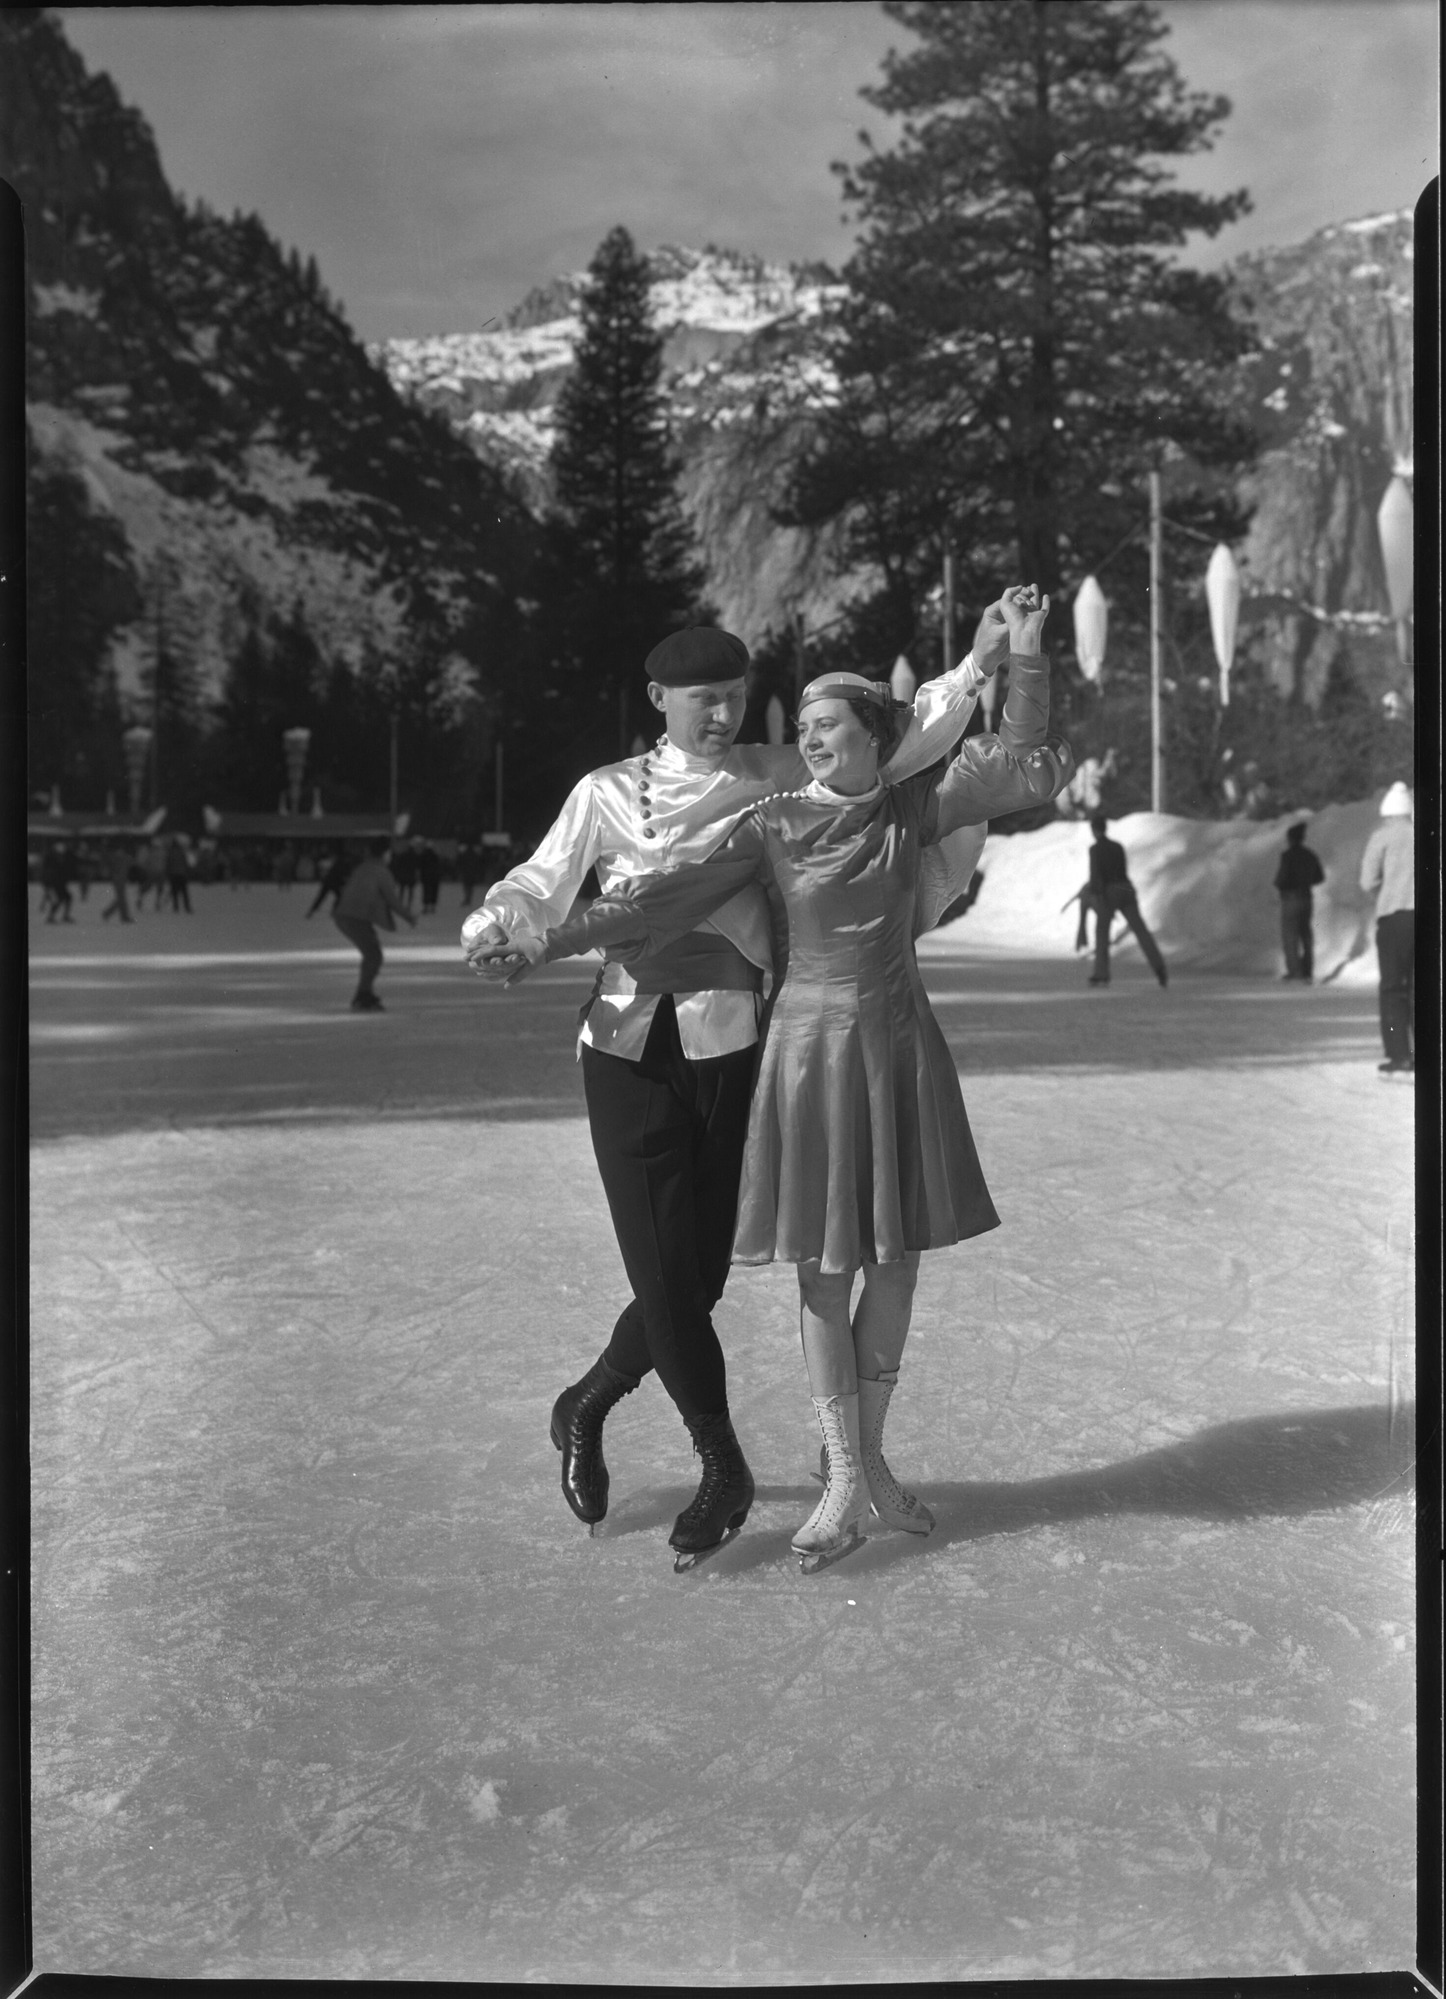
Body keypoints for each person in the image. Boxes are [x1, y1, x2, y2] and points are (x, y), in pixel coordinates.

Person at [476, 590, 1070, 1572]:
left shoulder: (812, 789)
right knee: (737, 1270)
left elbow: (962, 750)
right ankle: (739, 1464)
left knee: (749, 1270)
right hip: (689, 1044)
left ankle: (623, 1409)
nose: (732, 716)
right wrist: (533, 936)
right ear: (659, 699)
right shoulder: (681, 803)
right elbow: (633, 895)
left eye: (739, 696)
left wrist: (1001, 659)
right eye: (705, 698)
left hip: (790, 1043)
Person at [1358, 782, 1414, 1076]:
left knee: (1393, 989)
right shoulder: (1426, 833)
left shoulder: (1382, 837)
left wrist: (1384, 892)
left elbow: (1367, 881)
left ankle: (1399, 1055)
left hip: (1394, 918)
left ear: (1387, 813)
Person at [1083, 815, 1167, 987]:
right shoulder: (1117, 846)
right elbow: (1122, 869)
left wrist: (1096, 895)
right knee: (1141, 930)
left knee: (1102, 932)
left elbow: (1096, 875)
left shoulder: (1095, 849)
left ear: (1094, 830)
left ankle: (1101, 973)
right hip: (1126, 888)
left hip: (1109, 891)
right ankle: (1159, 968)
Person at [332, 835, 415, 1010]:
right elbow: (392, 899)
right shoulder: (380, 871)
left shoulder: (364, 867)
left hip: (347, 915)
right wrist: (408, 916)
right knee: (373, 955)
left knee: (372, 954)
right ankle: (362, 995)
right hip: (355, 917)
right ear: (385, 853)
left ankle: (364, 992)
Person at [1273, 821, 1324, 981]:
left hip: (1290, 898)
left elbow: (1281, 878)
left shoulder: (1287, 856)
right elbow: (1320, 877)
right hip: (1306, 898)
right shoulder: (1310, 855)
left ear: (1290, 838)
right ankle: (1307, 969)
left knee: (1290, 936)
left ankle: (1295, 971)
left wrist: (1280, 885)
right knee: (1305, 934)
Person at [100, 843, 134, 924]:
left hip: (120, 879)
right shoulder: (121, 858)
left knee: (121, 899)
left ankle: (109, 913)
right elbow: (116, 868)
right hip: (119, 880)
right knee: (121, 899)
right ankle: (122, 916)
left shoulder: (121, 857)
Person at [165, 837, 193, 914]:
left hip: (174, 875)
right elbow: (185, 863)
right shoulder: (181, 852)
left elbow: (168, 864)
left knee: (175, 892)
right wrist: (187, 872)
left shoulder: (170, 853)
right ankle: (187, 906)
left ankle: (176, 906)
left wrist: (168, 874)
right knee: (184, 892)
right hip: (182, 874)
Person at [418, 841, 442, 916]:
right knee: (433, 892)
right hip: (434, 877)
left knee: (426, 892)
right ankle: (432, 907)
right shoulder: (435, 855)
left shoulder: (423, 855)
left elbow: (421, 866)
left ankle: (425, 907)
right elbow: (438, 866)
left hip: (426, 877)